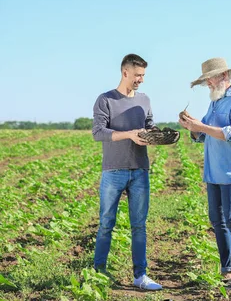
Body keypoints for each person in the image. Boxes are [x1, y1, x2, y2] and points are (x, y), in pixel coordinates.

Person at [179, 57, 231, 291]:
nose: (208, 84)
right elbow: (202, 135)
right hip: (213, 171)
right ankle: (228, 269)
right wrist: (192, 127)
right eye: (206, 81)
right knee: (217, 220)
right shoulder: (215, 102)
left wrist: (200, 127)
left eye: (210, 79)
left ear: (223, 76)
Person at [91, 53, 162, 291]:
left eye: (143, 75)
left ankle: (140, 276)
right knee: (106, 223)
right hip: (113, 170)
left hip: (140, 170)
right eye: (138, 75)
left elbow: (149, 125)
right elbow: (99, 132)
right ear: (125, 73)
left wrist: (155, 135)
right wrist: (129, 134)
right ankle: (98, 272)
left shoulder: (145, 99)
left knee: (139, 225)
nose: (141, 79)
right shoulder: (106, 100)